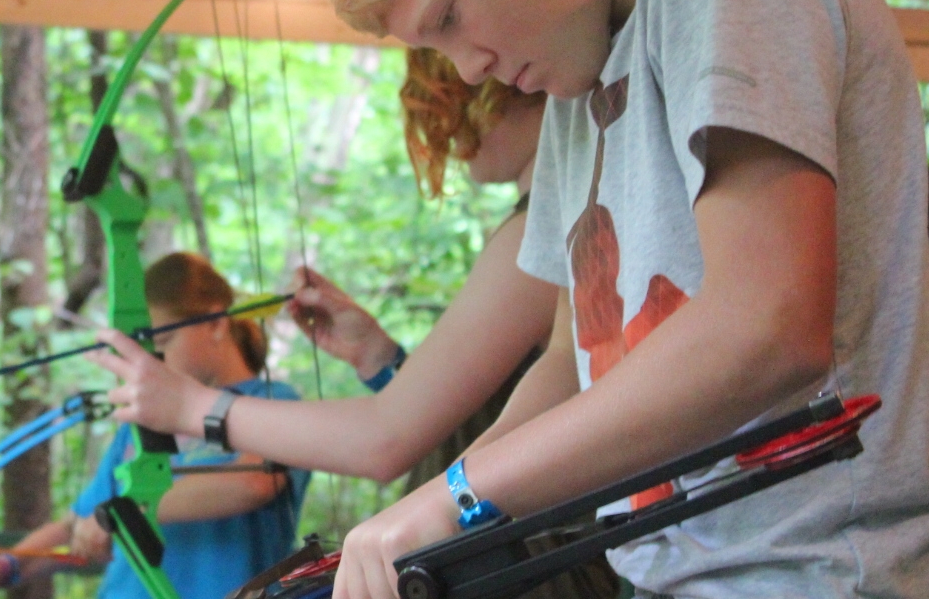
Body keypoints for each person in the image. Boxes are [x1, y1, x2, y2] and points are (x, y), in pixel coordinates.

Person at [295, 0, 929, 596]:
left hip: (819, 572)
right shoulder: (574, 86)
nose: (466, 73)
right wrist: (435, 507)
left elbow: (767, 322)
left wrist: (460, 493)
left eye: (446, 17)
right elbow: (569, 363)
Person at [87, 48, 619, 598]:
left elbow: (383, 441)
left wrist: (192, 408)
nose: (464, 82)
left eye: (453, 101)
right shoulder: (548, 219)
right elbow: (500, 412)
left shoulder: (536, 231)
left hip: (548, 565)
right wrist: (382, 360)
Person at [0, 252, 309, 599]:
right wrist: (3, 567)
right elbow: (79, 523)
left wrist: (125, 511)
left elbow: (252, 483)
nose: (152, 362)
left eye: (163, 342)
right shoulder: (148, 419)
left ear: (215, 322)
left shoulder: (273, 401)